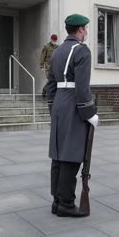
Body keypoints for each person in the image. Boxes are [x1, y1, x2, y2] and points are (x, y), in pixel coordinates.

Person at [46, 14, 98, 217]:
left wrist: (53, 108)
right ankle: (66, 204)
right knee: (72, 154)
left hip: (59, 102)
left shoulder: (57, 51)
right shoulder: (82, 51)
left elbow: (50, 84)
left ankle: (57, 200)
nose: (86, 32)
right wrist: (89, 112)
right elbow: (82, 87)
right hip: (74, 103)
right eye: (85, 29)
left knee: (58, 154)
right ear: (80, 30)